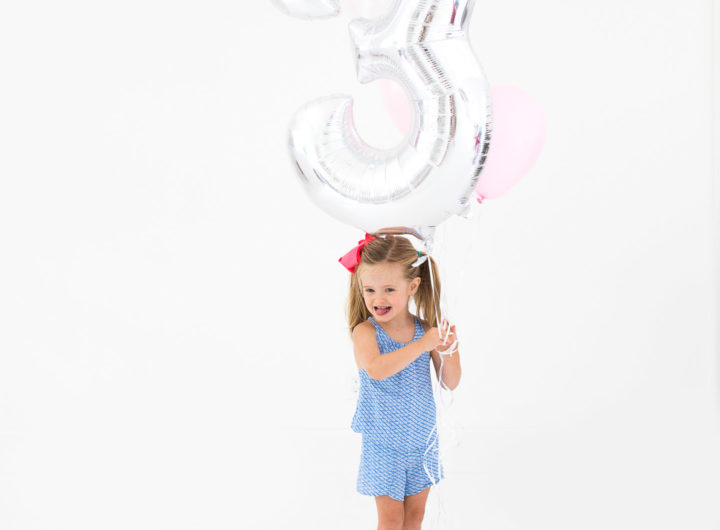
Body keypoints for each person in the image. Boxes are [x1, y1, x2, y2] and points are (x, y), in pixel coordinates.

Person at [339, 232, 462, 530]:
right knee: (392, 519)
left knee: (415, 517)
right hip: (384, 444)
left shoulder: (425, 330)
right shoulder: (366, 333)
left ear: (413, 286)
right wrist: (423, 345)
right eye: (369, 290)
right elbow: (378, 369)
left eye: (389, 289)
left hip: (422, 441)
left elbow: (451, 382)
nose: (377, 299)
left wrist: (449, 350)